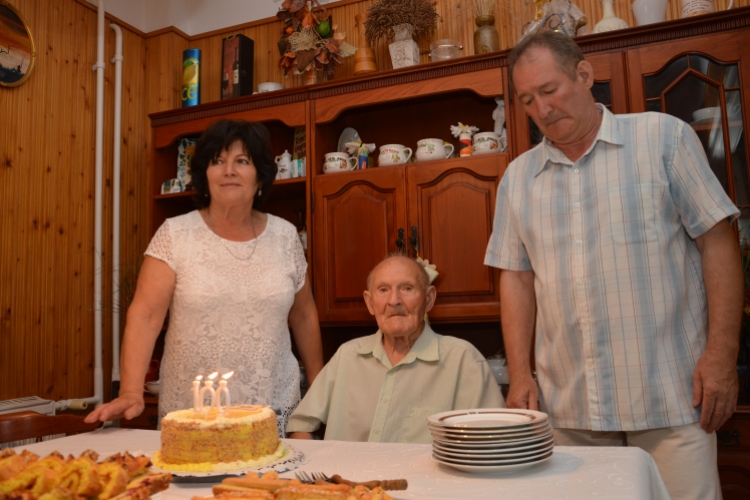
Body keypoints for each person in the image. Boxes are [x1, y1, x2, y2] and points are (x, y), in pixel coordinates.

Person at [484, 31, 743, 500]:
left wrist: (722, 356)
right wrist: (520, 374)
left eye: (549, 91)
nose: (541, 109)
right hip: (570, 412)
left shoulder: (664, 138)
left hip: (672, 399)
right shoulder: (518, 179)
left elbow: (719, 242)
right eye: (526, 100)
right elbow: (516, 281)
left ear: (584, 75)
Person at [86, 119, 324, 434]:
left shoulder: (285, 236)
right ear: (205, 175)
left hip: (272, 409)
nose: (229, 170)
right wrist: (130, 390)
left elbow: (304, 315)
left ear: (260, 178)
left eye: (242, 161)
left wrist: (319, 390)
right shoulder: (175, 234)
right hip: (192, 414)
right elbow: (145, 316)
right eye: (218, 161)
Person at [286, 255, 504, 443]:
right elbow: (300, 426)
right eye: (383, 290)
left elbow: (494, 441)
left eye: (407, 288)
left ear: (428, 299)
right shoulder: (347, 356)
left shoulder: (463, 360)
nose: (394, 301)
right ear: (370, 303)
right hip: (350, 490)